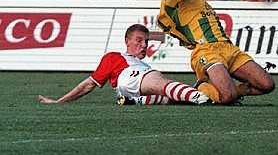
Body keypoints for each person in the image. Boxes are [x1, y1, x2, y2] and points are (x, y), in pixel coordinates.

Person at [157, 0, 275, 105]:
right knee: (227, 96)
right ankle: (202, 89)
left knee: (267, 85)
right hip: (206, 50)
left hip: (228, 48)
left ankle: (228, 90)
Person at [38, 24, 210, 105]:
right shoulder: (115, 57)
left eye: (146, 41)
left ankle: (133, 101)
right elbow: (88, 84)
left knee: (169, 98)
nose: (144, 45)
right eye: (139, 40)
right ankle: (200, 97)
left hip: (129, 88)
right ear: (127, 41)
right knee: (163, 85)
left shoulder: (140, 63)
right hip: (130, 77)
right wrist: (60, 101)